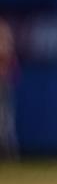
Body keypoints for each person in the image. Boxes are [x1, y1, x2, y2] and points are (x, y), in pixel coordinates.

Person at [0, 19, 18, 160]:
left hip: (3, 82)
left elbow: (7, 52)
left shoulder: (3, 29)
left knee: (5, 120)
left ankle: (8, 155)